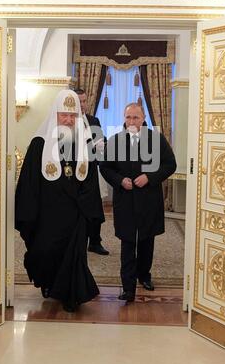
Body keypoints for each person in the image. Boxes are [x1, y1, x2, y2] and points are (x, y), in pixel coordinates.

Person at [15, 89, 104, 312]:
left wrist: (84, 204)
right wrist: (30, 212)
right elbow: (29, 182)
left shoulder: (85, 143)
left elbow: (91, 178)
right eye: (64, 114)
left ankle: (71, 296)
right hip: (48, 213)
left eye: (73, 115)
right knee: (45, 251)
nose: (68, 120)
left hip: (76, 212)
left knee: (74, 255)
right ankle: (50, 285)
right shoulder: (39, 144)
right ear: (55, 114)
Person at [100, 103, 176, 302]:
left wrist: (149, 177)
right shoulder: (115, 141)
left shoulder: (156, 139)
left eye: (135, 117)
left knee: (146, 241)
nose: (132, 121)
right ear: (124, 119)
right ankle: (128, 287)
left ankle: (144, 275)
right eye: (128, 117)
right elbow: (105, 168)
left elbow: (170, 165)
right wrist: (119, 181)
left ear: (143, 119)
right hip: (125, 200)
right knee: (127, 242)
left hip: (149, 200)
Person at [75, 88, 109, 256]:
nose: (82, 105)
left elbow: (101, 142)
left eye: (84, 101)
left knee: (95, 208)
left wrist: (103, 144)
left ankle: (95, 242)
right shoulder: (67, 121)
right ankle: (76, 241)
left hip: (92, 170)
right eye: (79, 101)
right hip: (73, 173)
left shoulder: (93, 120)